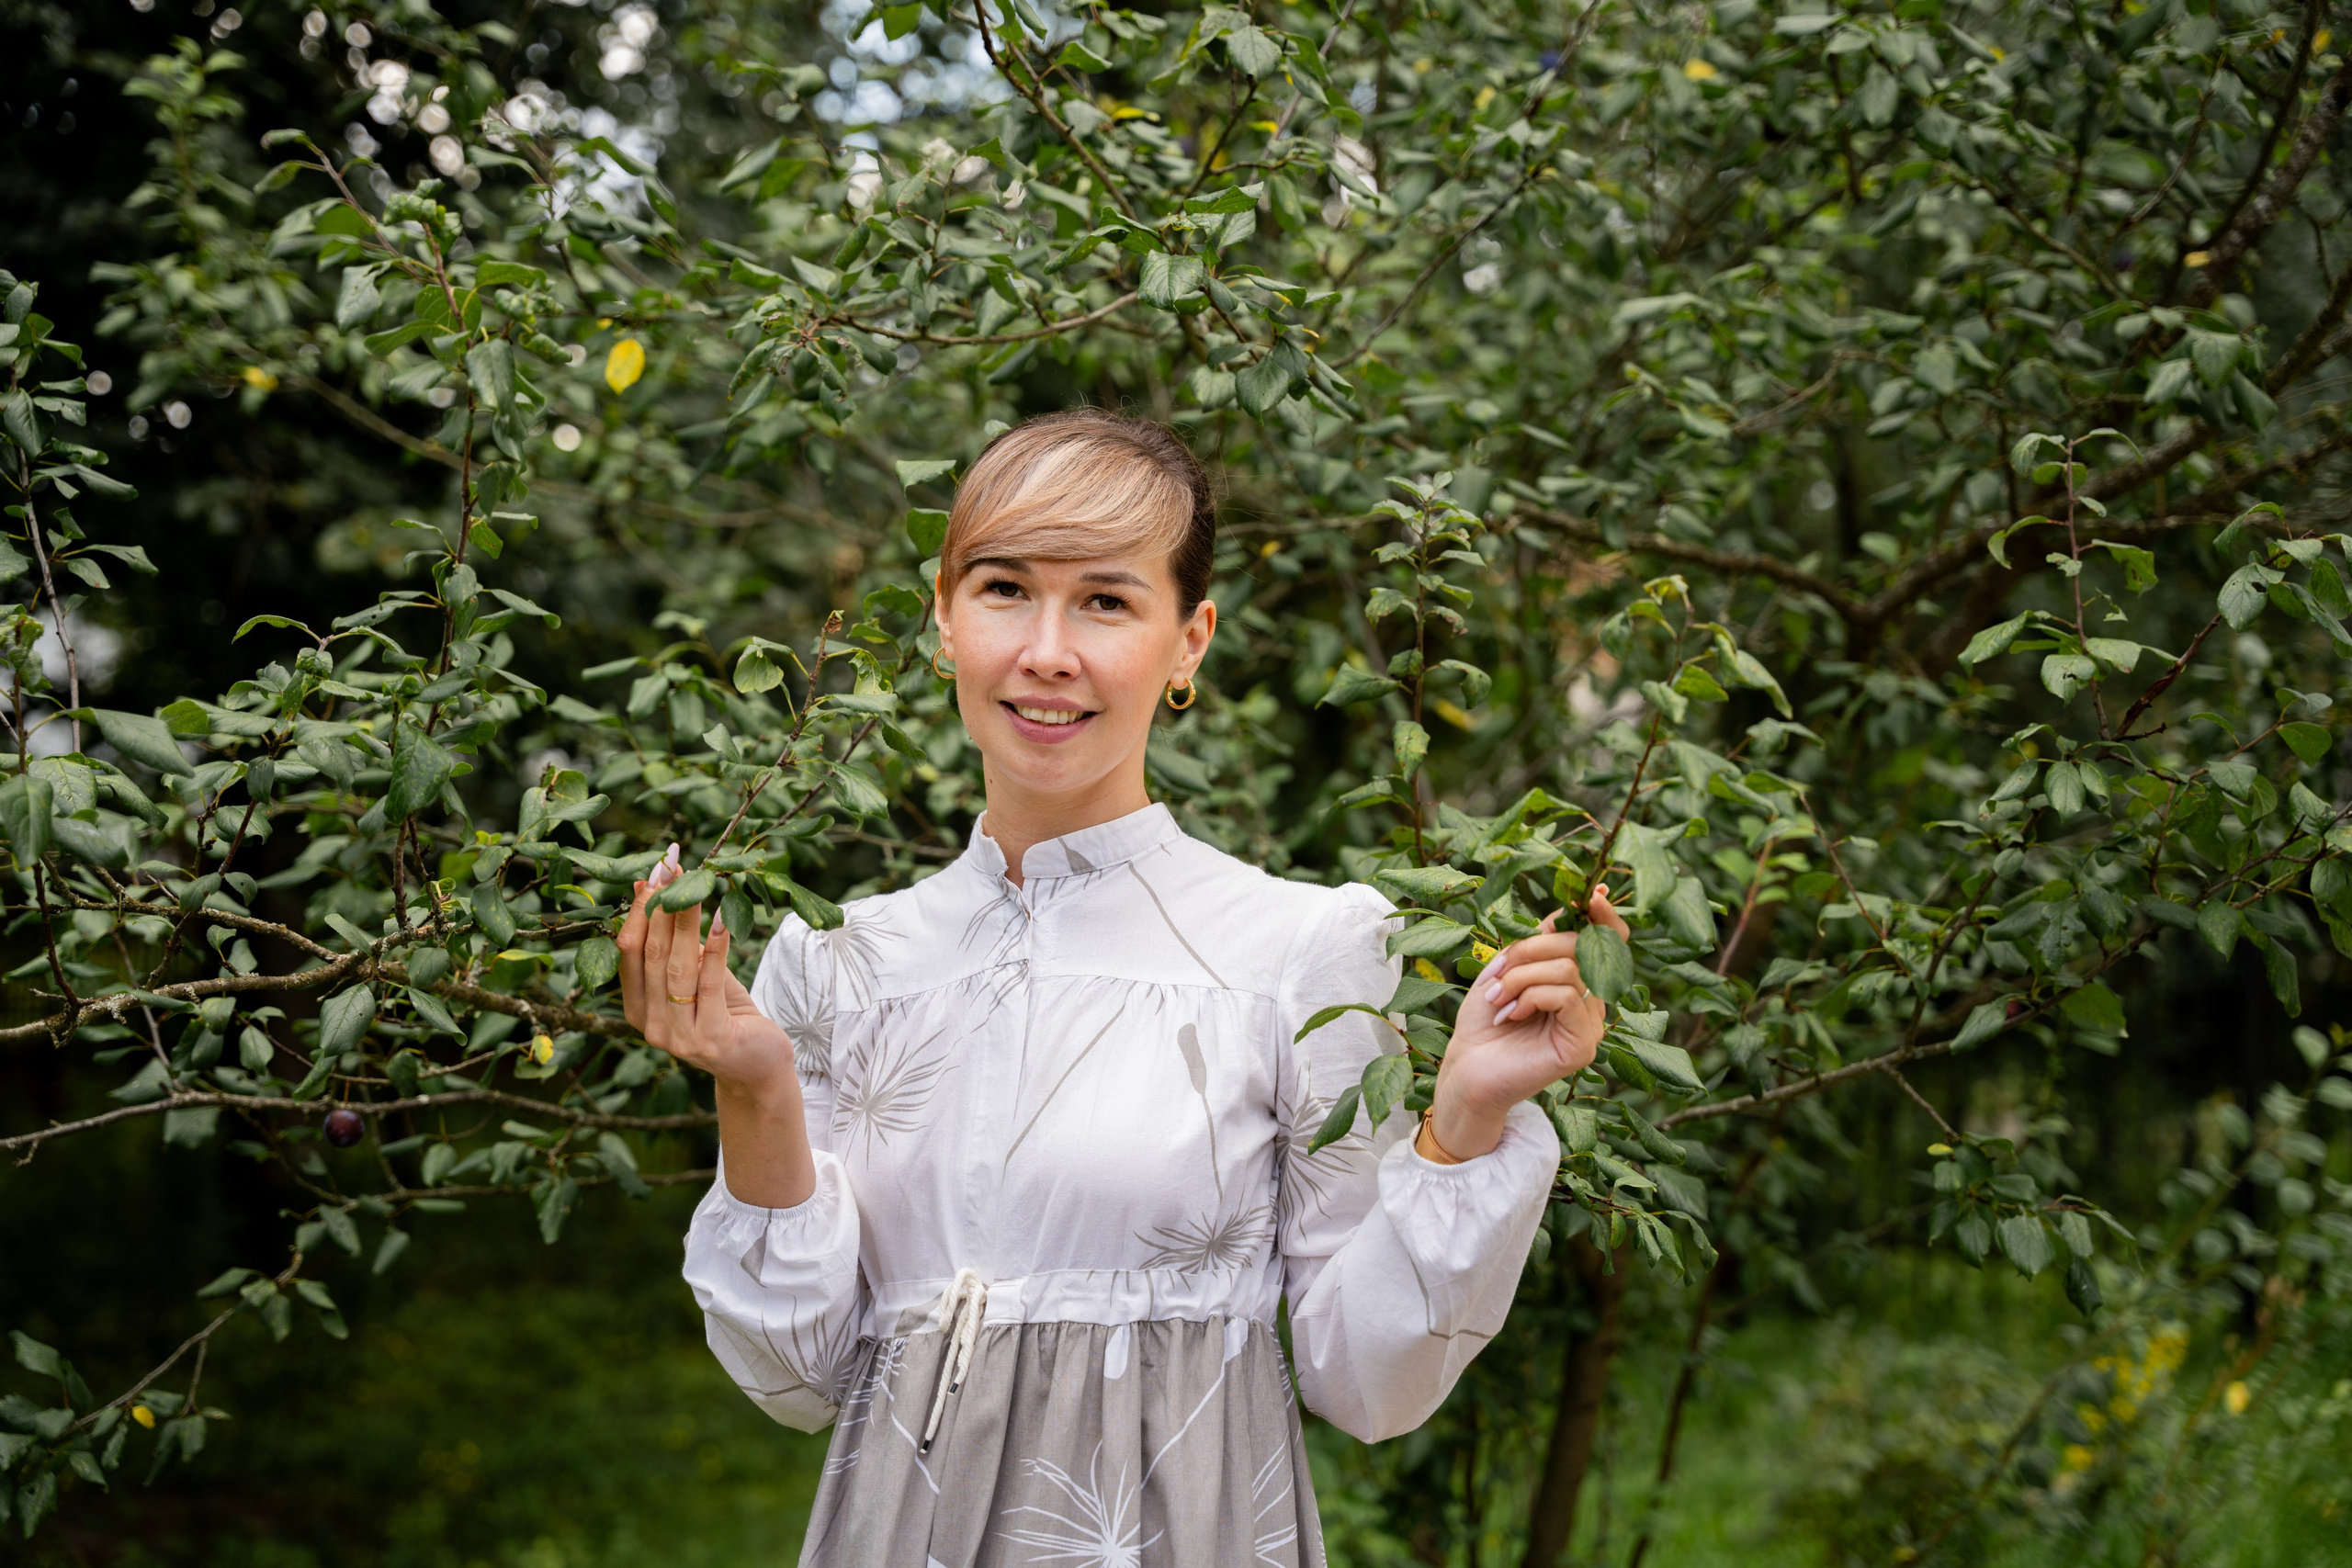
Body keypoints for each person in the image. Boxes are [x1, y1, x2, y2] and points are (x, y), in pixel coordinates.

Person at [617, 408, 1630, 1566]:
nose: (1048, 650)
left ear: (1188, 640)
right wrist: (755, 1089)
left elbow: (1365, 1382)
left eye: (1105, 600)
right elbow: (800, 1378)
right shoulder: (839, 967)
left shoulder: (1298, 951)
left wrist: (1463, 1127)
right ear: (943, 616)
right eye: (1004, 588)